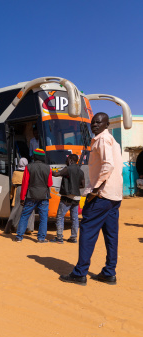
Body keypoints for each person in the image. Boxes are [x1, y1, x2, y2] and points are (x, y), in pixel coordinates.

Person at [60, 113, 123, 286]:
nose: (94, 124)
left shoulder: (102, 140)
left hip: (101, 195)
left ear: (107, 124)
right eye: (93, 122)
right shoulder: (113, 141)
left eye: (98, 122)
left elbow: (108, 165)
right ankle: (109, 272)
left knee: (87, 231)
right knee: (111, 236)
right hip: (114, 196)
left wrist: (95, 188)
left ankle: (80, 273)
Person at [13, 148, 53, 243]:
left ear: (34, 156)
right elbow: (50, 183)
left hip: (31, 195)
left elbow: (25, 183)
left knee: (25, 215)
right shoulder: (48, 168)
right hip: (44, 196)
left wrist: (22, 197)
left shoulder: (28, 167)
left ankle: (19, 236)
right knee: (43, 217)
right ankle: (41, 238)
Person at [50, 154, 85, 244]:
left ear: (70, 160)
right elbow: (83, 185)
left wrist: (48, 170)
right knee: (74, 218)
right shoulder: (81, 172)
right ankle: (73, 238)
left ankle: (59, 238)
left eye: (67, 159)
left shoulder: (68, 169)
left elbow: (56, 174)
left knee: (60, 216)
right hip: (77, 197)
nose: (66, 161)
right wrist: (74, 185)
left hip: (67, 197)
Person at [4, 158, 35, 234]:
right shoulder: (29, 171)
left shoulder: (15, 172)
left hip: (18, 189)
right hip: (28, 189)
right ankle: (29, 228)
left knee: (17, 208)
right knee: (30, 207)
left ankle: (12, 226)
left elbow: (13, 183)